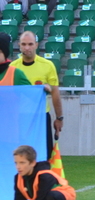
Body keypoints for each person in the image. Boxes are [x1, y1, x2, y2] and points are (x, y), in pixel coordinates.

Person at [10, 31, 62, 159]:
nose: (27, 48)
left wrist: (59, 118)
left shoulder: (47, 66)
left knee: (43, 155)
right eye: (24, 44)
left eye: (30, 44)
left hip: (41, 117)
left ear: (36, 45)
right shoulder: (12, 67)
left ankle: (42, 178)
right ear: (19, 45)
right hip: (20, 117)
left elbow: (55, 93)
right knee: (20, 156)